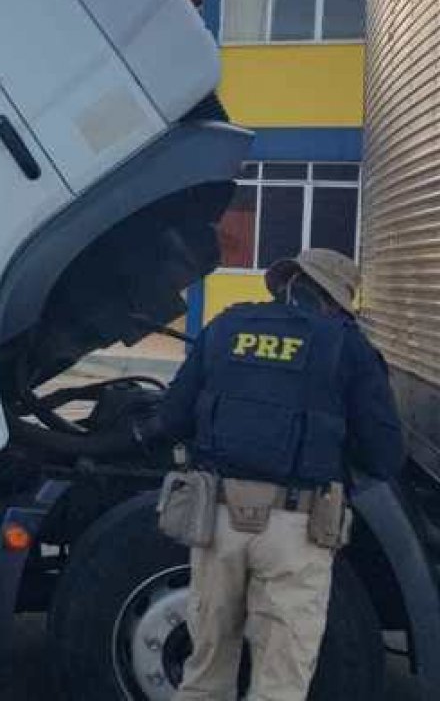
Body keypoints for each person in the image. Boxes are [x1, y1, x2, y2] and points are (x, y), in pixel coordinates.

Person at [154, 249, 405, 701]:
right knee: (280, 682)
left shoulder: (226, 326)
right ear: (334, 301)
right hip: (297, 529)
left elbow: (172, 417)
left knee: (205, 672)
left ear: (287, 283)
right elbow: (385, 455)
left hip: (217, 522)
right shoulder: (347, 346)